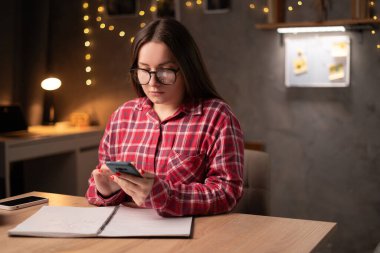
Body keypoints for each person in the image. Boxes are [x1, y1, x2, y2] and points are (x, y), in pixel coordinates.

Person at [85, 18, 244, 217]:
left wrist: (165, 195)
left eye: (164, 71)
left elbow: (227, 193)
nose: (152, 83)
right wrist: (106, 191)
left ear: (186, 69)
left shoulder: (218, 117)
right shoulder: (122, 117)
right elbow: (95, 188)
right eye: (144, 71)